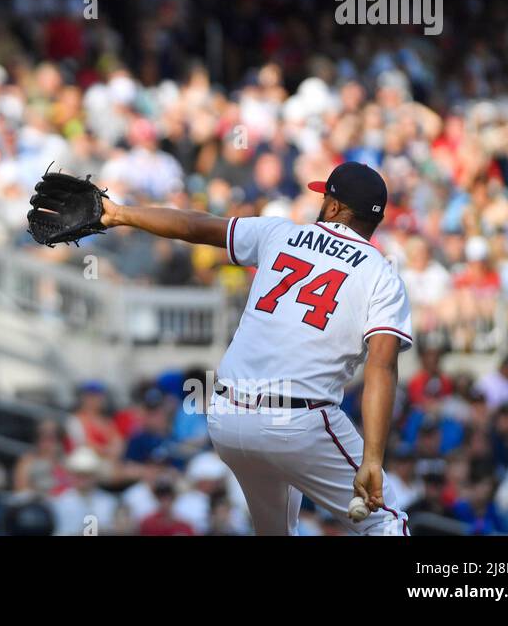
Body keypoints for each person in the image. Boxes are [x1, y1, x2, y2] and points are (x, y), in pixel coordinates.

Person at [97, 161, 411, 536]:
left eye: (324, 195)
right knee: (387, 521)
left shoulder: (280, 234)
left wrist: (119, 213)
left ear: (333, 207)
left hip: (228, 419)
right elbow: (381, 366)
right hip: (297, 424)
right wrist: (373, 457)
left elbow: (196, 225)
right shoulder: (381, 274)